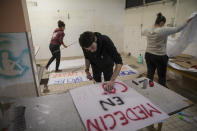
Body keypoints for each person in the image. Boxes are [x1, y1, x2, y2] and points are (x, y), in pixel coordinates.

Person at [142, 13, 192, 87]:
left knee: (149, 73)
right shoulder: (163, 30)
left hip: (148, 55)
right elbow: (178, 29)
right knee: (161, 76)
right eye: (163, 24)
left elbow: (143, 32)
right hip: (160, 56)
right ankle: (162, 91)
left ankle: (145, 87)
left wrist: (158, 18)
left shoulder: (147, 29)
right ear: (162, 23)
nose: (164, 25)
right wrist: (188, 20)